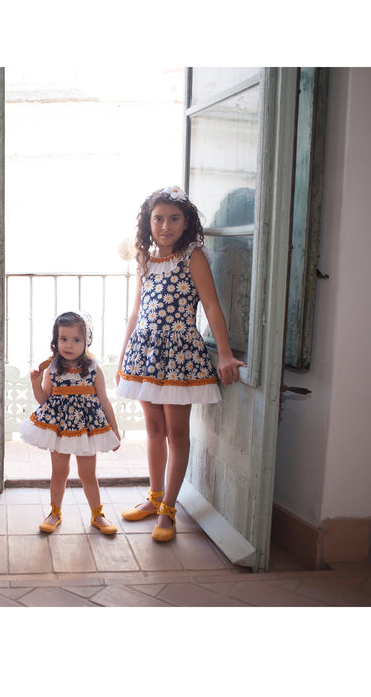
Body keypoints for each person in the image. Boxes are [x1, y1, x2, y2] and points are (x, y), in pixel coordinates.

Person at [116, 186, 245, 542]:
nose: (165, 226)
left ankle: (168, 509)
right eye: (158, 219)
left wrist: (224, 353)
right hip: (145, 353)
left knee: (176, 433)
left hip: (179, 355)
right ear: (148, 222)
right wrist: (125, 354)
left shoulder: (193, 256)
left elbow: (212, 305)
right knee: (153, 429)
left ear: (186, 222)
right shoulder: (145, 259)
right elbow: (135, 312)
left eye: (174, 219)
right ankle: (155, 497)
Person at [18, 311, 121, 535]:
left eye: (76, 340)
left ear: (86, 342)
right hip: (59, 429)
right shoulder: (52, 370)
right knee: (59, 472)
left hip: (86, 430)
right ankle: (55, 512)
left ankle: (97, 514)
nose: (69, 345)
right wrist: (35, 384)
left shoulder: (94, 370)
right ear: (55, 340)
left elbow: (104, 400)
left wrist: (114, 428)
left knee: (87, 473)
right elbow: (44, 400)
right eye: (63, 338)